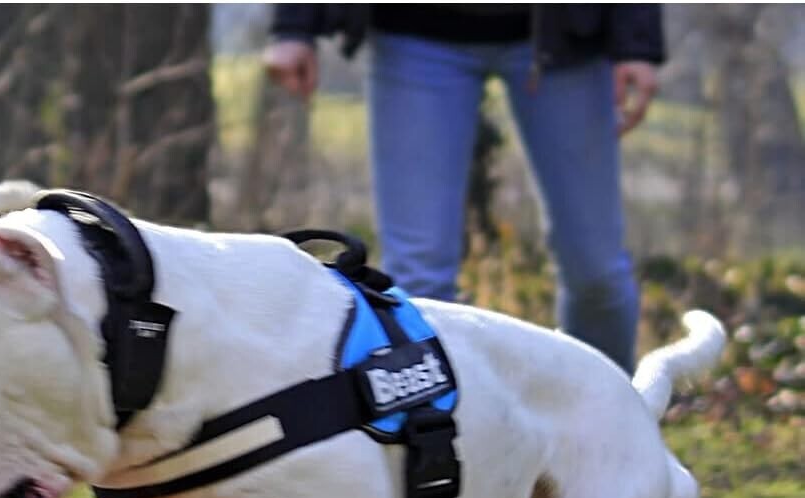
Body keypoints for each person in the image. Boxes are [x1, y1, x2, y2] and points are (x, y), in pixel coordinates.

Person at [264, 5, 663, 373]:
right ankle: (432, 437)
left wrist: (637, 42)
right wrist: (294, 26)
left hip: (566, 35)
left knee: (596, 273)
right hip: (415, 34)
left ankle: (612, 425)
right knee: (418, 277)